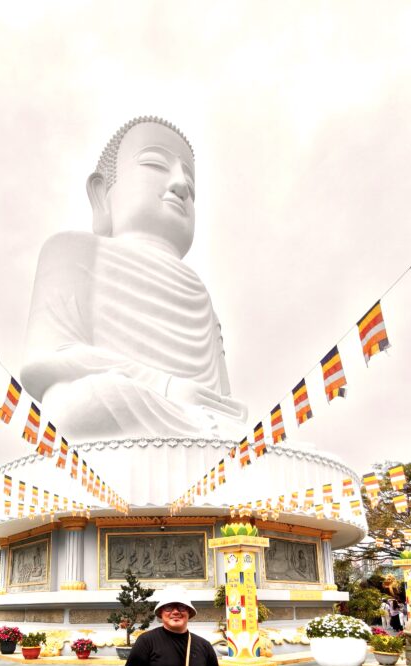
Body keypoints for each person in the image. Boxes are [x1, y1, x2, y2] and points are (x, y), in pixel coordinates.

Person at [21, 116, 247, 442]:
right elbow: (43, 360)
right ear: (102, 194)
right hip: (119, 403)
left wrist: (212, 412)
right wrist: (165, 386)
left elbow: (223, 401)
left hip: (202, 422)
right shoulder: (72, 250)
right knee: (71, 404)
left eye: (191, 184)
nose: (181, 186)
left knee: (247, 432)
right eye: (155, 164)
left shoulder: (203, 297)